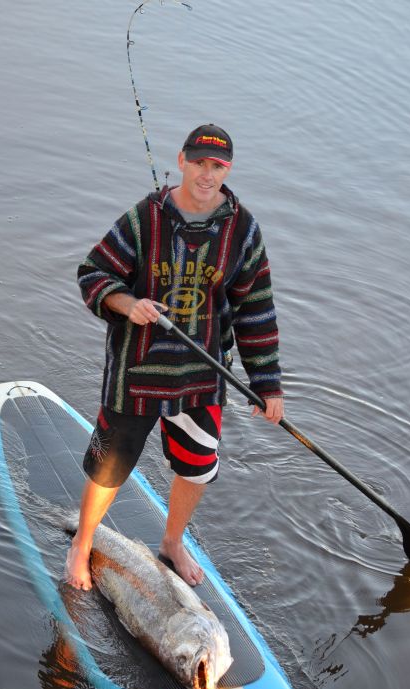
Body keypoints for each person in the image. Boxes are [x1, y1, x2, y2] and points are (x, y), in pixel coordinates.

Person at [65, 124, 284, 591]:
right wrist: (129, 304)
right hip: (136, 371)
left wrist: (267, 386)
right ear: (181, 160)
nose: (207, 174)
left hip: (201, 376)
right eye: (199, 162)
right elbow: (93, 273)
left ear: (228, 170)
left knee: (197, 465)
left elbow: (256, 311)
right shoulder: (145, 218)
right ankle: (81, 544)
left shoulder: (243, 231)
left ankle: (172, 542)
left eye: (217, 166)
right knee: (109, 465)